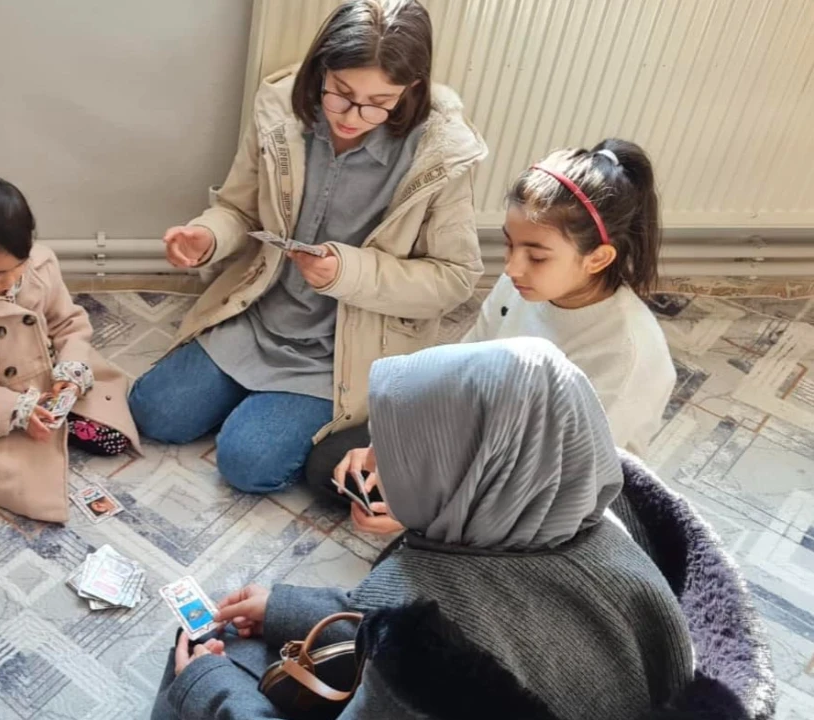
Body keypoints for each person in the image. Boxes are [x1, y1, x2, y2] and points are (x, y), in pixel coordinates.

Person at [149, 338, 695, 719]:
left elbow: (422, 627)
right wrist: (285, 608)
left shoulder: (430, 645)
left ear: (469, 473)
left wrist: (211, 691)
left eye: (397, 449)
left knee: (199, 663)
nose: (368, 460)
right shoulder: (607, 528)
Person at [128, 0, 486, 493]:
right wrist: (207, 236)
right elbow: (238, 210)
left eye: (379, 101)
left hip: (343, 351)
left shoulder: (442, 155)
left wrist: (348, 273)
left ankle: (291, 414)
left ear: (412, 90)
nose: (353, 116)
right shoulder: (280, 110)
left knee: (248, 464)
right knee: (154, 413)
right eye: (341, 93)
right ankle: (257, 402)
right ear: (321, 71)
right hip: (259, 315)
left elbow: (454, 279)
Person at [308, 138, 675, 499]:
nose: (512, 267)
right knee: (332, 464)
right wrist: (392, 441)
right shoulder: (522, 285)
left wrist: (424, 503)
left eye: (537, 257)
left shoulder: (626, 355)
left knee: (407, 508)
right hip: (487, 436)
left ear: (598, 258)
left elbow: (566, 481)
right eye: (509, 244)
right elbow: (460, 371)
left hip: (546, 487)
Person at [0, 178, 140, 523]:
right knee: (12, 469)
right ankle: (38, 430)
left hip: (50, 372)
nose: (11, 279)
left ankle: (67, 418)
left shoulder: (40, 267)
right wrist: (15, 410)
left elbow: (69, 324)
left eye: (19, 264)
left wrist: (70, 371)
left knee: (113, 437)